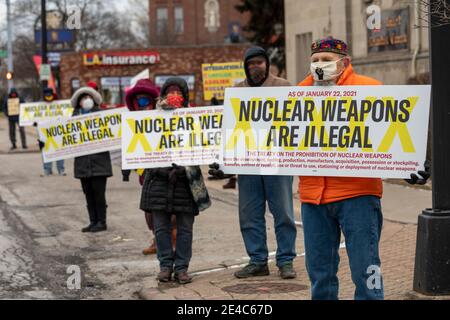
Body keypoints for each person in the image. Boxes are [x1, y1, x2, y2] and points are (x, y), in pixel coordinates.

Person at [297, 37, 431, 300]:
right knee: (319, 273)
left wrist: (408, 164)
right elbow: (276, 138)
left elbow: (390, 134)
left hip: (357, 195)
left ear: (344, 62)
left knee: (365, 269)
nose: (319, 65)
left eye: (326, 59)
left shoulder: (370, 89)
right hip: (313, 197)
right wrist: (236, 159)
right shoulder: (298, 93)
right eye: (315, 61)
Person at [209, 47, 298, 280]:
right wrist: (223, 161)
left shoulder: (283, 86)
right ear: (245, 67)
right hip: (247, 163)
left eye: (259, 62)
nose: (255, 67)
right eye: (250, 64)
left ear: (267, 64)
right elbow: (228, 128)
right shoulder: (237, 91)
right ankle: (258, 260)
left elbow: (296, 121)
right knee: (249, 214)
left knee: (284, 213)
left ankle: (286, 260)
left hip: (277, 162)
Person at [140, 77, 211, 284]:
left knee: (185, 229)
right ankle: (165, 267)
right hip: (158, 181)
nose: (174, 96)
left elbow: (203, 145)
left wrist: (184, 167)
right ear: (162, 94)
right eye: (170, 91)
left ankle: (181, 268)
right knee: (161, 228)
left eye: (178, 92)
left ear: (185, 95)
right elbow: (145, 148)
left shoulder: (196, 117)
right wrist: (161, 169)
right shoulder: (151, 118)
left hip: (186, 182)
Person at [123, 79, 177, 255]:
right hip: (146, 174)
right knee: (150, 210)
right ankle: (157, 238)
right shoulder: (132, 122)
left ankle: (173, 239)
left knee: (170, 209)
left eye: (145, 100)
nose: (142, 104)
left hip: (167, 171)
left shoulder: (165, 116)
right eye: (138, 101)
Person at [71, 86, 113, 233]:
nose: (86, 100)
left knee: (99, 194)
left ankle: (102, 222)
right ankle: (93, 221)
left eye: (88, 97)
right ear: (78, 102)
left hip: (99, 164)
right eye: (83, 98)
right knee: (88, 194)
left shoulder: (102, 116)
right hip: (82, 164)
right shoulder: (74, 118)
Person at [39, 88, 65, 176]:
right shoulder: (39, 106)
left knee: (59, 150)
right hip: (44, 132)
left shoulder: (58, 104)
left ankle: (60, 169)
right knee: (46, 150)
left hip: (57, 130)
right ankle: (47, 170)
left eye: (49, 94)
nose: (48, 96)